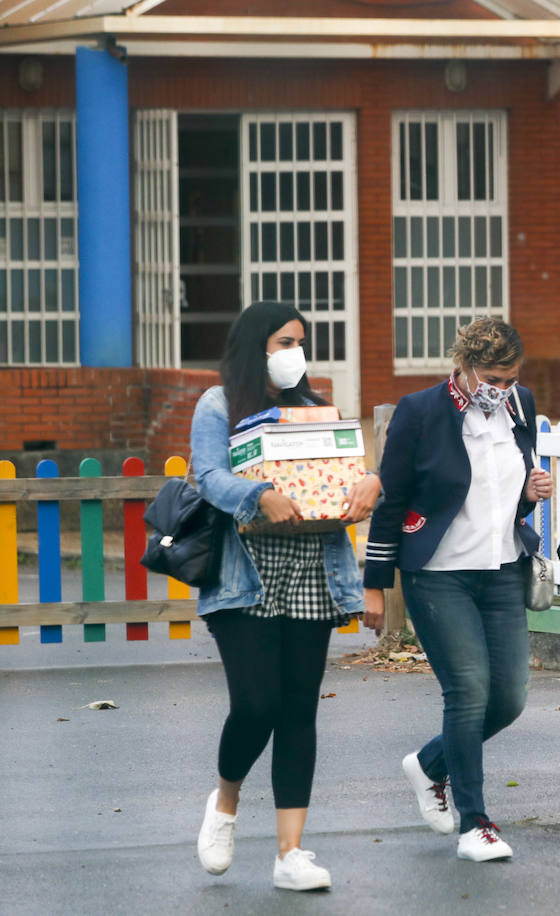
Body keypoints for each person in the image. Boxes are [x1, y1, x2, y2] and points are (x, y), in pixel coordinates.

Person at [192, 301, 381, 892]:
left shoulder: (313, 407)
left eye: (299, 341)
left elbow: (344, 469)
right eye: (281, 341)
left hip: (312, 568)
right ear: (254, 345)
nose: (292, 352)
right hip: (243, 575)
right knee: (256, 705)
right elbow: (209, 476)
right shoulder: (219, 403)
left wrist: (370, 482)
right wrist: (257, 494)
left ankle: (291, 852)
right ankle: (225, 801)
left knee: (299, 710)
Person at [361, 318, 552, 863]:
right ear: (464, 367)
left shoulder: (521, 405)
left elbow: (505, 498)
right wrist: (376, 587)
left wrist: (531, 494)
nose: (503, 386)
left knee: (508, 699)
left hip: (502, 570)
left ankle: (428, 764)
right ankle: (476, 824)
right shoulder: (420, 412)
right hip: (438, 574)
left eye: (512, 376)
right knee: (468, 692)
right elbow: (391, 503)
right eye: (493, 376)